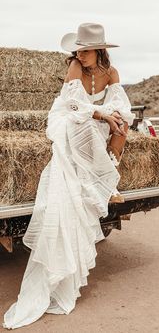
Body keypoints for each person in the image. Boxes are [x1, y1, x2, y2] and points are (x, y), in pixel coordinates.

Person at [2, 22, 135, 329]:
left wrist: (113, 115)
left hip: (94, 118)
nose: (80, 54)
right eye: (78, 49)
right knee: (85, 125)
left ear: (99, 50)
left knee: (124, 123)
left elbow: (120, 103)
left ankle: (107, 179)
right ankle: (94, 182)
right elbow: (72, 103)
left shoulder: (111, 73)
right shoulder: (75, 66)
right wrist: (99, 113)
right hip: (68, 117)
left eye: (85, 50)